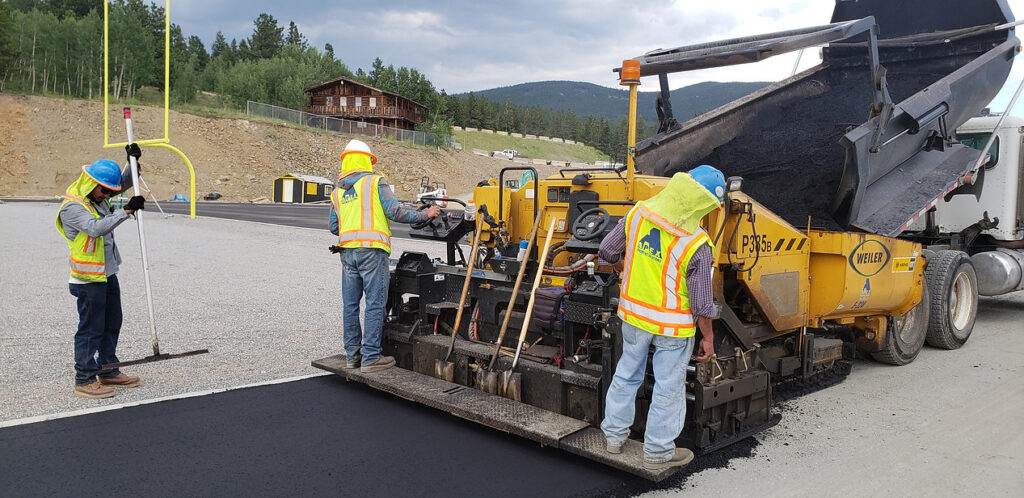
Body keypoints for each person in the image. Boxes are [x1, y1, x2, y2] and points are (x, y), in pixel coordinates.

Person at [598, 164, 726, 471]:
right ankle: (657, 452)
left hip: (633, 317)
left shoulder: (638, 214)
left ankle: (613, 438)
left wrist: (623, 267)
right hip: (673, 327)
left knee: (627, 374)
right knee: (669, 386)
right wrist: (708, 338)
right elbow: (701, 303)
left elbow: (606, 251)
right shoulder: (696, 243)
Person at [329, 139, 440, 373]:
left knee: (350, 305)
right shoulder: (374, 182)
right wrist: (426, 214)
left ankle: (353, 356)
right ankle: (370, 358)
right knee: (374, 303)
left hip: (346, 253)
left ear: (346, 160)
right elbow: (396, 212)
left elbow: (333, 227)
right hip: (372, 251)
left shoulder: (337, 191)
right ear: (367, 160)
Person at [57, 147, 147, 399]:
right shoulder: (72, 207)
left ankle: (107, 369)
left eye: (111, 191)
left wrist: (133, 162)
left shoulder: (97, 196)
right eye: (105, 191)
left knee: (112, 323)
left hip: (107, 273)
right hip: (88, 279)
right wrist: (126, 211)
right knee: (91, 328)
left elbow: (123, 183)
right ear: (91, 183)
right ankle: (84, 378)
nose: (110, 194)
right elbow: (94, 228)